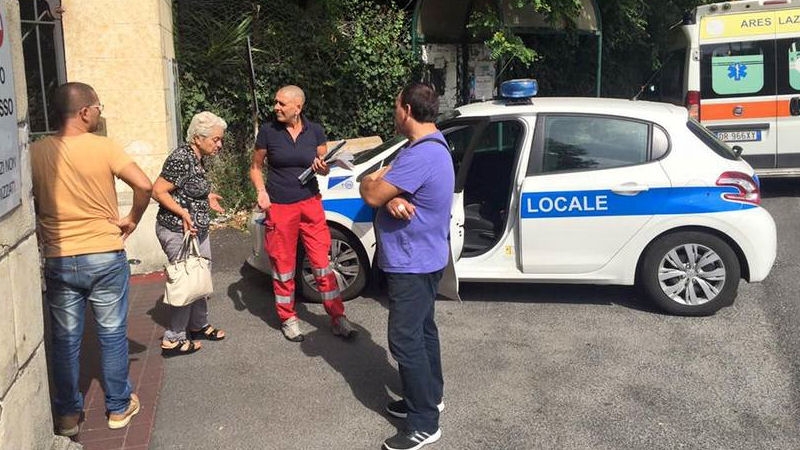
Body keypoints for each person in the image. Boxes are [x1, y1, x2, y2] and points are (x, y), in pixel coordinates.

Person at [30, 82, 152, 435]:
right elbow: (144, 185)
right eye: (98, 107)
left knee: (65, 340)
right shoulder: (103, 147)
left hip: (60, 257)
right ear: (84, 112)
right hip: (103, 254)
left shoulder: (35, 152)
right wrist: (132, 219)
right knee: (112, 334)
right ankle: (118, 408)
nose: (100, 113)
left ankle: (67, 416)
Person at [360, 82, 454, 450]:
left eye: (396, 106)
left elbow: (370, 191)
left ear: (408, 111)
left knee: (405, 339)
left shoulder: (419, 155)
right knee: (423, 331)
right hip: (426, 258)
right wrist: (390, 198)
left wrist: (374, 184)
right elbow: (387, 191)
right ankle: (430, 397)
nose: (394, 112)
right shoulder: (429, 146)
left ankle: (424, 424)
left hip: (412, 263)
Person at [249, 85, 357, 342]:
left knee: (322, 263)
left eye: (281, 103)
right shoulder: (268, 131)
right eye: (276, 102)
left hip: (310, 204)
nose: (276, 107)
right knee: (283, 266)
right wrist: (261, 191)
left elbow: (324, 166)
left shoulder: (315, 131)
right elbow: (255, 167)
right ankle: (288, 318)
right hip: (280, 207)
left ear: (298, 107)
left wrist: (323, 167)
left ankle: (338, 317)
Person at [152, 111, 228, 356]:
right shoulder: (181, 158)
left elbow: (187, 187)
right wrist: (183, 213)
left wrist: (206, 196)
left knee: (200, 277)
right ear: (197, 138)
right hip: (177, 231)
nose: (219, 144)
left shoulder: (197, 157)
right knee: (186, 281)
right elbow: (158, 191)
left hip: (197, 230)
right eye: (215, 139)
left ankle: (198, 325)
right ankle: (173, 338)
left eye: (220, 139)